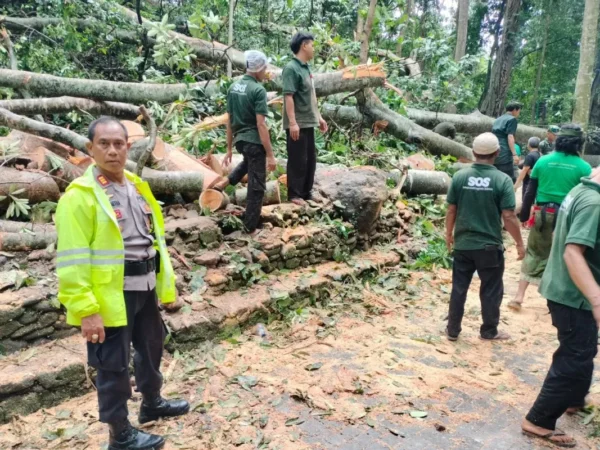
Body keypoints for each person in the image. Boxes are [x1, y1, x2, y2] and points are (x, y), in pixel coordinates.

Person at [55, 117, 189, 450]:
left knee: (151, 348)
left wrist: (164, 286)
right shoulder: (80, 196)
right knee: (111, 365)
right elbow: (71, 259)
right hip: (109, 296)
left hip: (144, 287)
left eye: (119, 143)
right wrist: (86, 309)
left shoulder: (134, 185)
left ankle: (152, 402)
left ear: (128, 147)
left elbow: (151, 238)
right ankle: (120, 434)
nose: (113, 150)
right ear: (90, 149)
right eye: (104, 144)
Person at [521, 167, 600, 448]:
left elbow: (561, 236)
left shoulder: (581, 189)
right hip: (573, 295)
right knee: (575, 354)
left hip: (564, 287)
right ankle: (539, 420)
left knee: (584, 348)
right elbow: (571, 251)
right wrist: (597, 300)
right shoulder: (595, 203)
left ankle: (574, 399)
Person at [445, 132, 525, 341]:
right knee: (491, 289)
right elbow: (508, 216)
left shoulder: (460, 177)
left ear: (473, 153)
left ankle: (453, 330)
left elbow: (451, 210)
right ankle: (489, 331)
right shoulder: (502, 180)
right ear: (497, 153)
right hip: (490, 246)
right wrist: (519, 243)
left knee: (459, 288)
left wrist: (448, 235)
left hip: (463, 244)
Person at [509, 124, 592, 311]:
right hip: (568, 217)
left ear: (559, 140)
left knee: (534, 253)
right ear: (578, 143)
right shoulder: (584, 167)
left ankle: (519, 297)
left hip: (542, 213)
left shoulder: (543, 161)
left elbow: (530, 190)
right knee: (564, 256)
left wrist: (524, 215)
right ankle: (554, 302)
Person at [211, 50, 277, 233]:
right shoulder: (258, 90)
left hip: (241, 140)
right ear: (258, 69)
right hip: (254, 141)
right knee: (257, 186)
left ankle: (226, 181)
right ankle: (250, 227)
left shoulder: (234, 87)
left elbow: (229, 120)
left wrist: (230, 147)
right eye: (265, 68)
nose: (266, 72)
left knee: (248, 162)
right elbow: (261, 124)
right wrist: (270, 155)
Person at [282, 32, 328, 206]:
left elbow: (312, 96)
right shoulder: (291, 68)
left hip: (309, 121)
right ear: (304, 45)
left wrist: (320, 117)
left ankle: (307, 192)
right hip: (297, 123)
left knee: (310, 158)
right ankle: (294, 194)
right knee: (297, 159)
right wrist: (292, 123)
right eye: (312, 45)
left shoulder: (306, 68)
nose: (314, 48)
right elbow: (288, 97)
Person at [491, 101, 522, 181]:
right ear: (515, 110)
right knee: (509, 179)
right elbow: (510, 136)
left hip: (494, 149)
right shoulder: (512, 119)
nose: (519, 113)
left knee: (495, 176)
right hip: (504, 152)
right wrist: (515, 154)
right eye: (519, 111)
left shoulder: (498, 119)